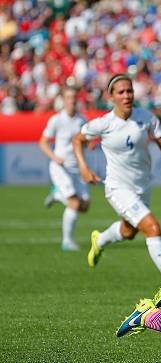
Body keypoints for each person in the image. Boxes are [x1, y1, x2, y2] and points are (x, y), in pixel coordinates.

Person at [72, 74, 161, 283]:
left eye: (129, 91)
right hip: (117, 187)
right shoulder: (104, 124)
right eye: (121, 92)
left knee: (129, 231)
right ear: (111, 97)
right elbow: (78, 139)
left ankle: (100, 240)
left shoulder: (146, 117)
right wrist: (83, 168)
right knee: (152, 227)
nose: (126, 96)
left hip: (143, 185)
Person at [39, 87, 89, 251]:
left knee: (85, 205)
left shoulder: (82, 120)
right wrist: (54, 157)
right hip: (60, 167)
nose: (72, 100)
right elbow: (43, 142)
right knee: (74, 202)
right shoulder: (56, 120)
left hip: (76, 168)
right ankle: (67, 241)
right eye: (68, 97)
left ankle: (58, 195)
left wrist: (91, 144)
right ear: (64, 100)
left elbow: (85, 141)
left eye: (74, 97)